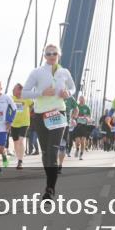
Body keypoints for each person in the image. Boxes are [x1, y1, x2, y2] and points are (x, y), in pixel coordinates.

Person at [21, 44, 76, 201]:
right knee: (45, 152)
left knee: (52, 151)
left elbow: (72, 88)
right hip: (41, 115)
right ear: (45, 56)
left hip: (59, 112)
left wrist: (68, 93)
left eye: (55, 53)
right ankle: (50, 184)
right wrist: (41, 93)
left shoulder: (64, 72)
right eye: (49, 53)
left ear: (59, 54)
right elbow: (25, 93)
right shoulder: (37, 72)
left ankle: (49, 189)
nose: (52, 55)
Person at [8, 83, 33, 170]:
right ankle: (18, 157)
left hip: (24, 123)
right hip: (14, 124)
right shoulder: (10, 99)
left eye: (18, 90)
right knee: (16, 143)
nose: (16, 92)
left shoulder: (26, 98)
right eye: (15, 90)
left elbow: (32, 105)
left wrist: (29, 112)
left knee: (20, 141)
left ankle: (20, 161)